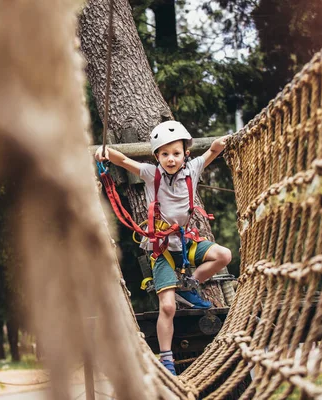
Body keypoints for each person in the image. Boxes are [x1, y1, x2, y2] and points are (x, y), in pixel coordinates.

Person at [94, 120, 232, 375]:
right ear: (157, 156)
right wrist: (107, 153)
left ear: (185, 154)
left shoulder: (193, 169)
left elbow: (212, 152)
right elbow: (124, 161)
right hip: (162, 249)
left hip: (187, 241)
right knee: (167, 307)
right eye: (165, 154)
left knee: (223, 255)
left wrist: (218, 144)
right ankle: (167, 359)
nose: (171, 159)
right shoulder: (151, 173)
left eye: (176, 153)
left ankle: (189, 284)